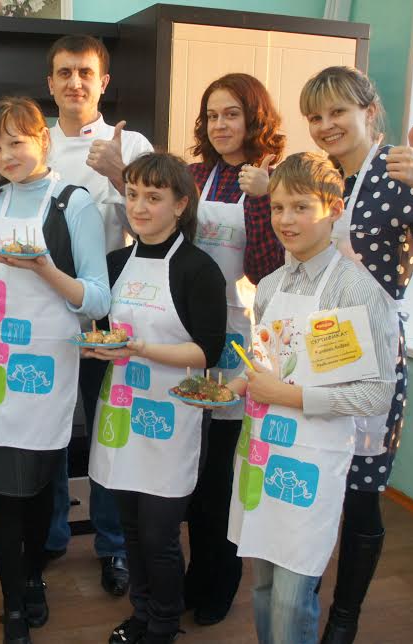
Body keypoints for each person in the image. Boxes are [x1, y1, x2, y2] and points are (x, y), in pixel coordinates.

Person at [299, 66, 413, 643]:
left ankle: (344, 619)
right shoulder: (325, 178)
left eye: (337, 112)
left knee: (361, 492)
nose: (326, 125)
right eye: (315, 116)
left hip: (371, 355)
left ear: (369, 111)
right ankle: (303, 598)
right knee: (313, 477)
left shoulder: (398, 175)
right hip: (315, 350)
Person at [0, 96, 110, 644]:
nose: (6, 155)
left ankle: (32, 575)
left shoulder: (73, 204)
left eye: (16, 142)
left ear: (43, 140)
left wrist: (43, 267)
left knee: (40, 484)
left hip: (43, 367)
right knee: (0, 490)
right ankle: (13, 603)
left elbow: (97, 297)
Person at [227, 152, 400, 644]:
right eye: (278, 207)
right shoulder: (269, 286)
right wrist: (234, 386)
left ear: (334, 209)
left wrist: (290, 395)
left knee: (291, 596)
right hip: (264, 450)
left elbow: (375, 395)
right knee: (262, 585)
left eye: (301, 207)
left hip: (312, 461)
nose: (286, 220)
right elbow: (265, 362)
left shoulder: (357, 289)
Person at [84, 152, 227, 644]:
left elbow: (206, 352)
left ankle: (164, 625)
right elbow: (102, 330)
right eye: (132, 195)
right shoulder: (115, 264)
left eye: (153, 197)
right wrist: (96, 345)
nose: (139, 207)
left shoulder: (198, 269)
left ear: (180, 204)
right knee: (130, 527)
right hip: (122, 409)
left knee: (159, 534)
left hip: (173, 415)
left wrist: (141, 348)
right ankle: (141, 613)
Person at [43, 33, 153, 596]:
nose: (75, 82)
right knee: (51, 429)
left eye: (85, 72)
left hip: (113, 311)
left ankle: (113, 546)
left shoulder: (131, 144)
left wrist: (118, 173)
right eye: (65, 72)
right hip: (45, 312)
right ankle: (51, 537)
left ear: (103, 82)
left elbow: (157, 228)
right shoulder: (33, 140)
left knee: (109, 430)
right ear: (51, 83)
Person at [183, 72, 287, 626]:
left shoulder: (277, 179)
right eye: (212, 115)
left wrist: (263, 199)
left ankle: (219, 581)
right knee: (189, 467)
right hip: (187, 334)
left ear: (253, 118)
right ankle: (191, 575)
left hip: (239, 338)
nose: (220, 125)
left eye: (231, 114)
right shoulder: (195, 175)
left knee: (222, 473)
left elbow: (266, 269)